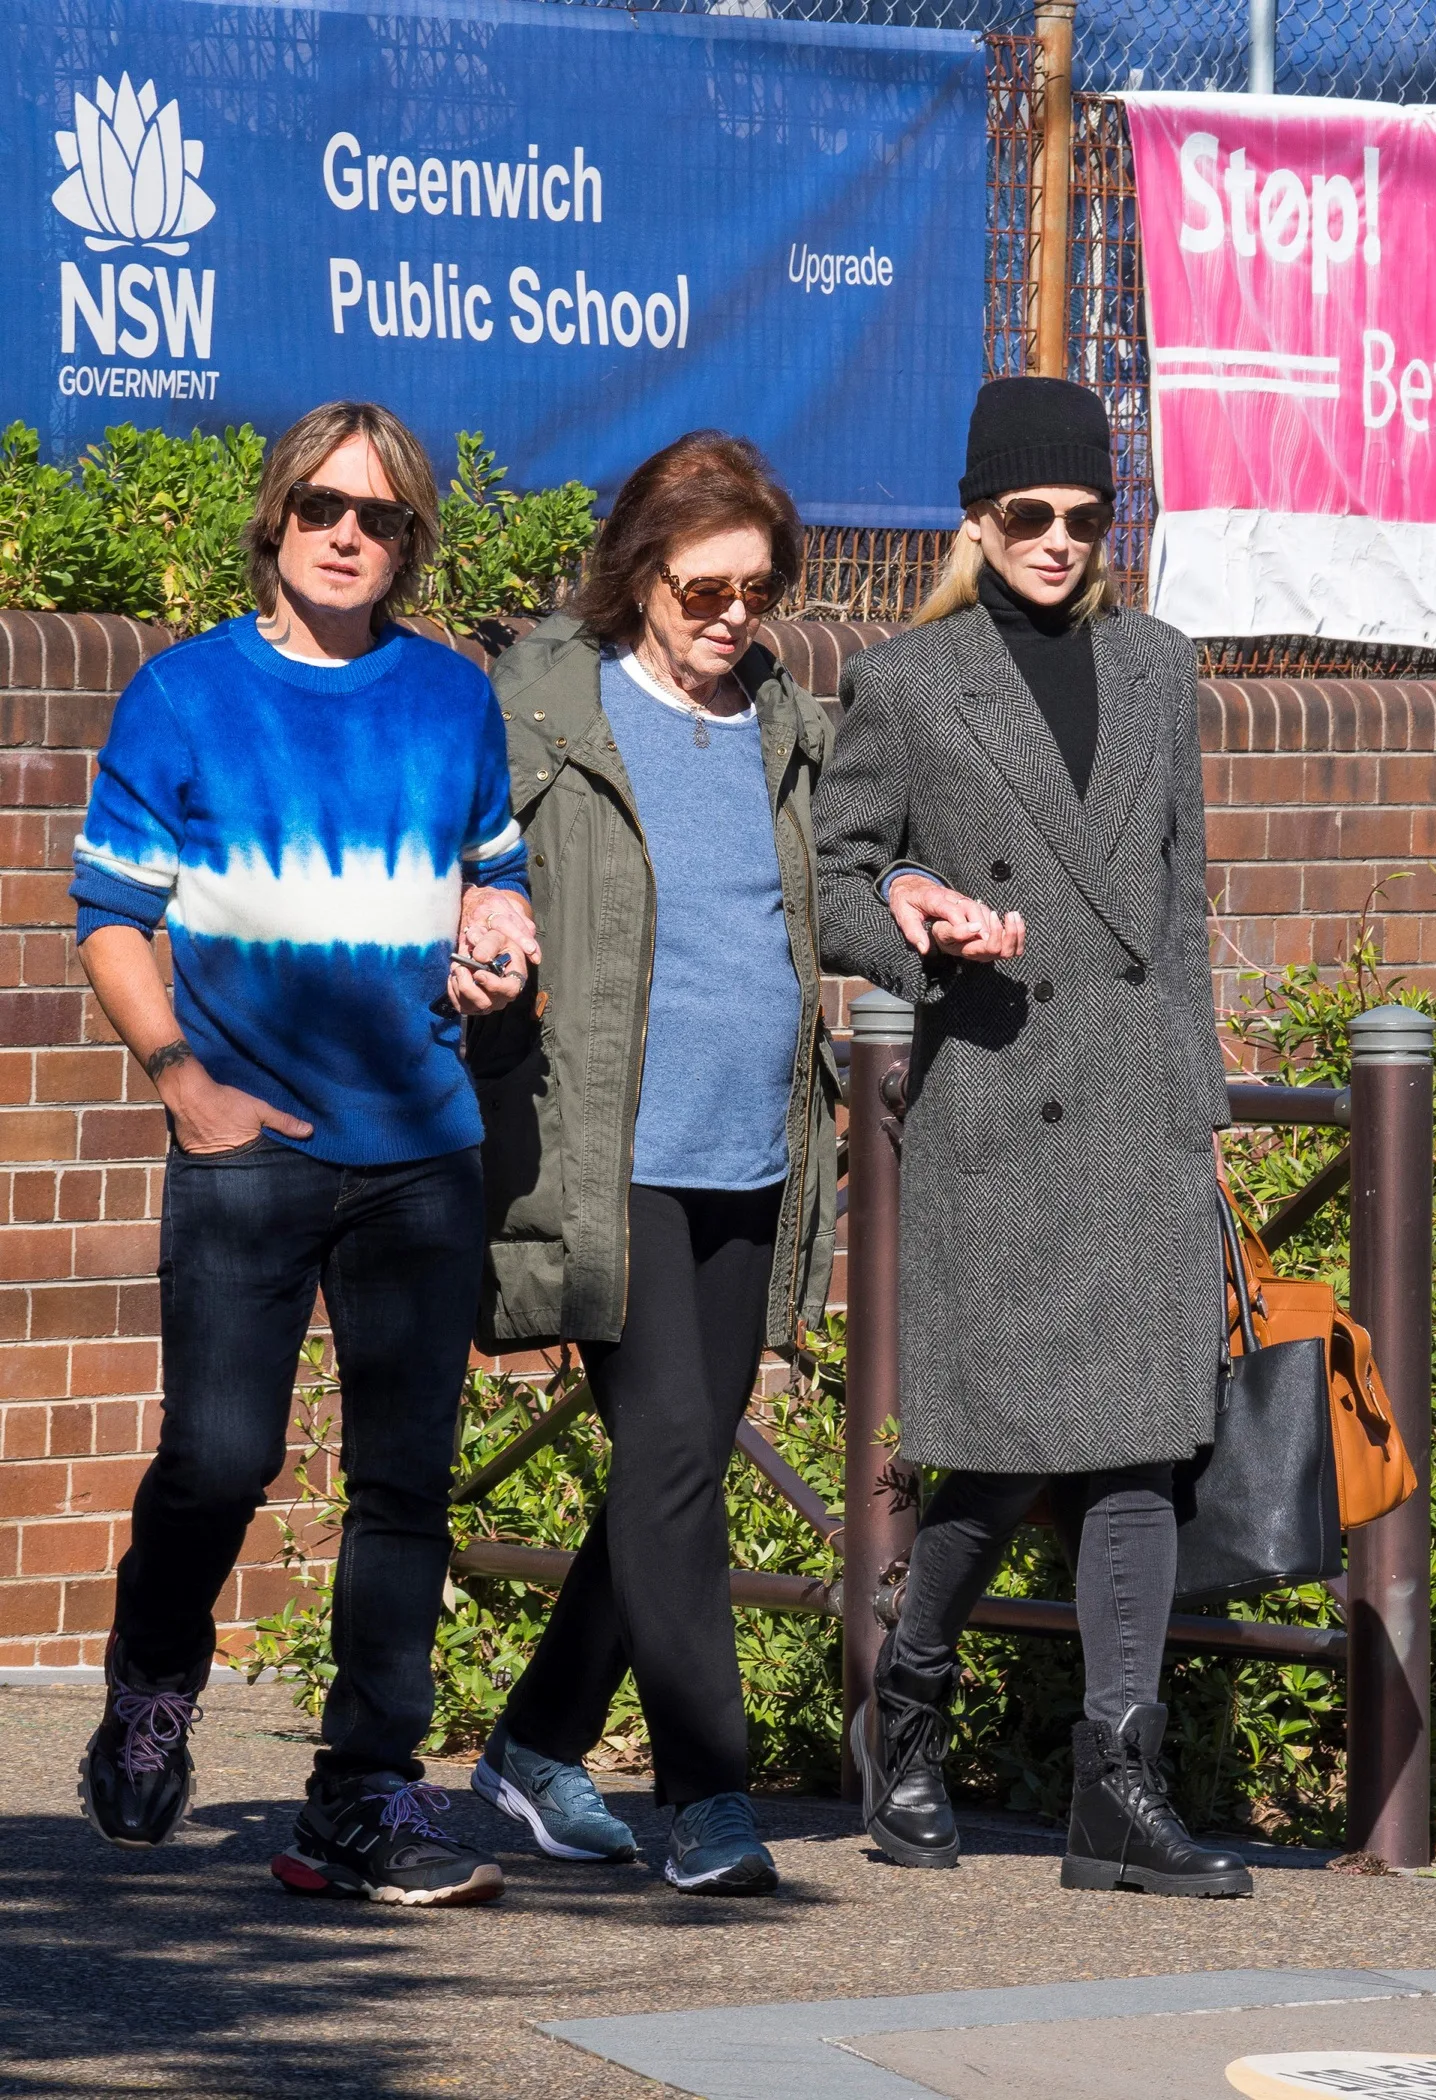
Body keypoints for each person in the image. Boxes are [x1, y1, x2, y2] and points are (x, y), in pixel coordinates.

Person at [71, 400, 538, 1907]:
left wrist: (496, 939)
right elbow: (111, 919)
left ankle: (361, 1795)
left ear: (410, 541)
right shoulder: (185, 693)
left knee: (405, 1483)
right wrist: (181, 1082)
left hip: (422, 1148)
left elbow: (495, 880)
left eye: (381, 516)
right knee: (221, 1458)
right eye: (324, 507)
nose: (349, 535)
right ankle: (153, 1681)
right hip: (247, 1144)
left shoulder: (454, 698)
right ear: (276, 520)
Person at [813, 376, 1253, 1899]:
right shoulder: (909, 682)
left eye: (1085, 516)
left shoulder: (1159, 666)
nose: (1058, 542)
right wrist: (916, 921)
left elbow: (1179, 909)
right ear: (975, 519)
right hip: (1000, 1100)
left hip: (1134, 1106)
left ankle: (1116, 1781)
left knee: (1142, 1450)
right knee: (1001, 1460)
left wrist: (1199, 1108)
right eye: (1027, 515)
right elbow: (834, 878)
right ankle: (909, 1699)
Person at [457, 431, 840, 1896]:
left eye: (757, 591)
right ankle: (709, 1795)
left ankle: (536, 1742)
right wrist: (471, 924)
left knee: (673, 1466)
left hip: (755, 1151)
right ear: (639, 576)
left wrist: (913, 902)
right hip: (606, 1147)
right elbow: (458, 858)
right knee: (676, 1450)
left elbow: (824, 893)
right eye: (703, 591)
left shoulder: (781, 722)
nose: (733, 617)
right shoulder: (546, 707)